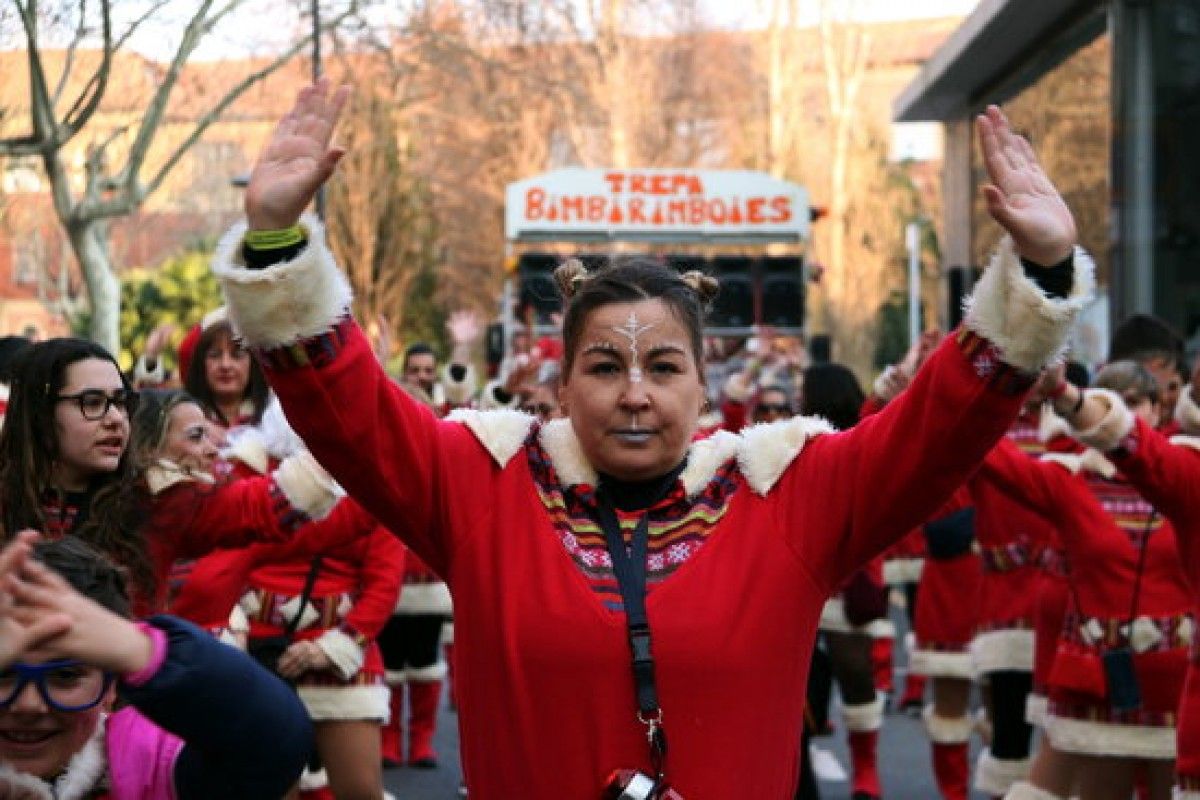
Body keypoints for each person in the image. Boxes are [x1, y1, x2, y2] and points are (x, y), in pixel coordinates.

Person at [209, 80, 1090, 798]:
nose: (635, 395)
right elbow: (347, 410)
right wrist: (279, 240)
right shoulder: (482, 486)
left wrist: (1041, 274)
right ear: (561, 385)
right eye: (603, 369)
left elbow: (938, 430)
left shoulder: (789, 495)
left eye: (664, 368)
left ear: (705, 387)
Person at [978, 362, 1190, 800]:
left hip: (1178, 684)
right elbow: (987, 458)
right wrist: (952, 393)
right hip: (1101, 680)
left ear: (1158, 409)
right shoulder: (1067, 481)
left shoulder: (1186, 476)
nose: (1127, 414)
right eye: (1114, 403)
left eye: (1136, 402)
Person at [0, 532, 313, 798]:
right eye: (2, 672)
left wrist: (143, 651)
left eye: (64, 675)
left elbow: (274, 745)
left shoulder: (151, 763)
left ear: (111, 686)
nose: (29, 705)